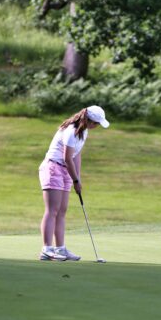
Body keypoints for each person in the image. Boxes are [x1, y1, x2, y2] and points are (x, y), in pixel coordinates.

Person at [38, 105, 109, 261]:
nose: (97, 127)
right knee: (52, 210)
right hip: (53, 168)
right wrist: (75, 180)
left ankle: (60, 249)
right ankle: (47, 249)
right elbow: (66, 158)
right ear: (89, 120)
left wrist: (78, 177)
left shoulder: (83, 132)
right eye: (96, 123)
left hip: (65, 171)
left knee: (62, 211)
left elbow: (76, 156)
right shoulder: (71, 131)